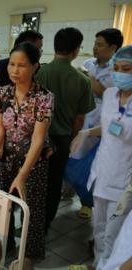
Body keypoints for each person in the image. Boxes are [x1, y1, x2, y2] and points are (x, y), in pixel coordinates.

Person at [0, 42, 54, 265]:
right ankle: (5, 247)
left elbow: (38, 140)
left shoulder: (43, 98)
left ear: (35, 66)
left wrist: (23, 174)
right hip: (7, 160)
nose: (15, 71)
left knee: (32, 212)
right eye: (11, 64)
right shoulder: (3, 93)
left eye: (22, 66)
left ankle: (27, 257)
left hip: (34, 164)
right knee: (4, 207)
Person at [71, 45, 132, 269]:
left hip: (125, 181)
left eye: (126, 69)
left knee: (115, 236)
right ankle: (98, 263)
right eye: (116, 68)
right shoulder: (109, 94)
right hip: (103, 174)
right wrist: (87, 132)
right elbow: (108, 126)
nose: (119, 74)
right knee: (98, 229)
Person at [35, 27, 95, 232]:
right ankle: (45, 224)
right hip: (61, 139)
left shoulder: (39, 73)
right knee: (53, 185)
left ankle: (29, 224)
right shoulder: (82, 80)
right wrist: (71, 139)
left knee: (34, 182)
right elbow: (79, 118)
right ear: (76, 50)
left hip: (35, 138)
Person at [73, 28, 123, 219]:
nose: (95, 48)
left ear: (113, 48)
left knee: (92, 162)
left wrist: (87, 78)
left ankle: (87, 202)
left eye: (100, 45)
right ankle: (73, 188)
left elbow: (103, 91)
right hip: (85, 114)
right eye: (95, 43)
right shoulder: (88, 64)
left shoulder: (116, 69)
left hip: (102, 116)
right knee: (76, 157)